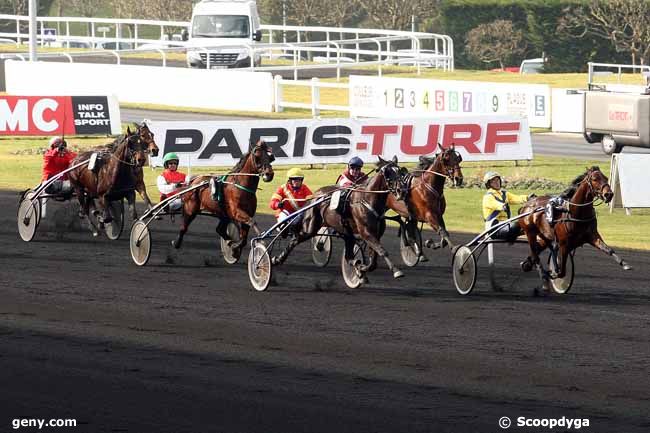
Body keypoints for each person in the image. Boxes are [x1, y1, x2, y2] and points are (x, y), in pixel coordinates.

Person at [482, 171, 532, 241]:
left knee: (529, 224)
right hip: (493, 229)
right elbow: (495, 204)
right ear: (489, 184)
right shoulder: (488, 197)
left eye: (497, 180)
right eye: (493, 181)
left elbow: (516, 198)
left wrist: (528, 197)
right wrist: (502, 206)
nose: (497, 182)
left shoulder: (504, 194)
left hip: (505, 225)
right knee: (519, 224)